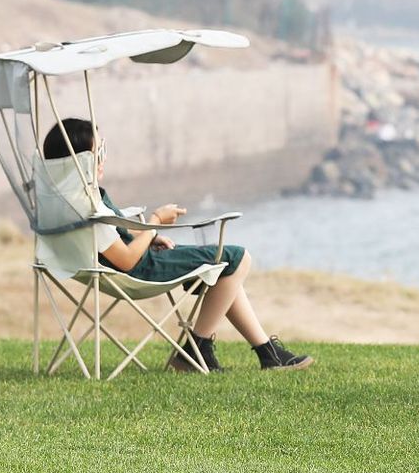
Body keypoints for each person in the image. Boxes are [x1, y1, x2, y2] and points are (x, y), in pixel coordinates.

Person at [41, 117, 313, 373]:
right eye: (98, 153)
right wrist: (156, 221)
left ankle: (267, 353)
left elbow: (112, 242)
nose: (103, 159)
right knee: (238, 258)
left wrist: (148, 235)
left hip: (113, 267)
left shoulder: (63, 200)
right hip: (139, 271)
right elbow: (126, 260)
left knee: (224, 267)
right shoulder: (85, 207)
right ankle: (197, 349)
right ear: (80, 161)